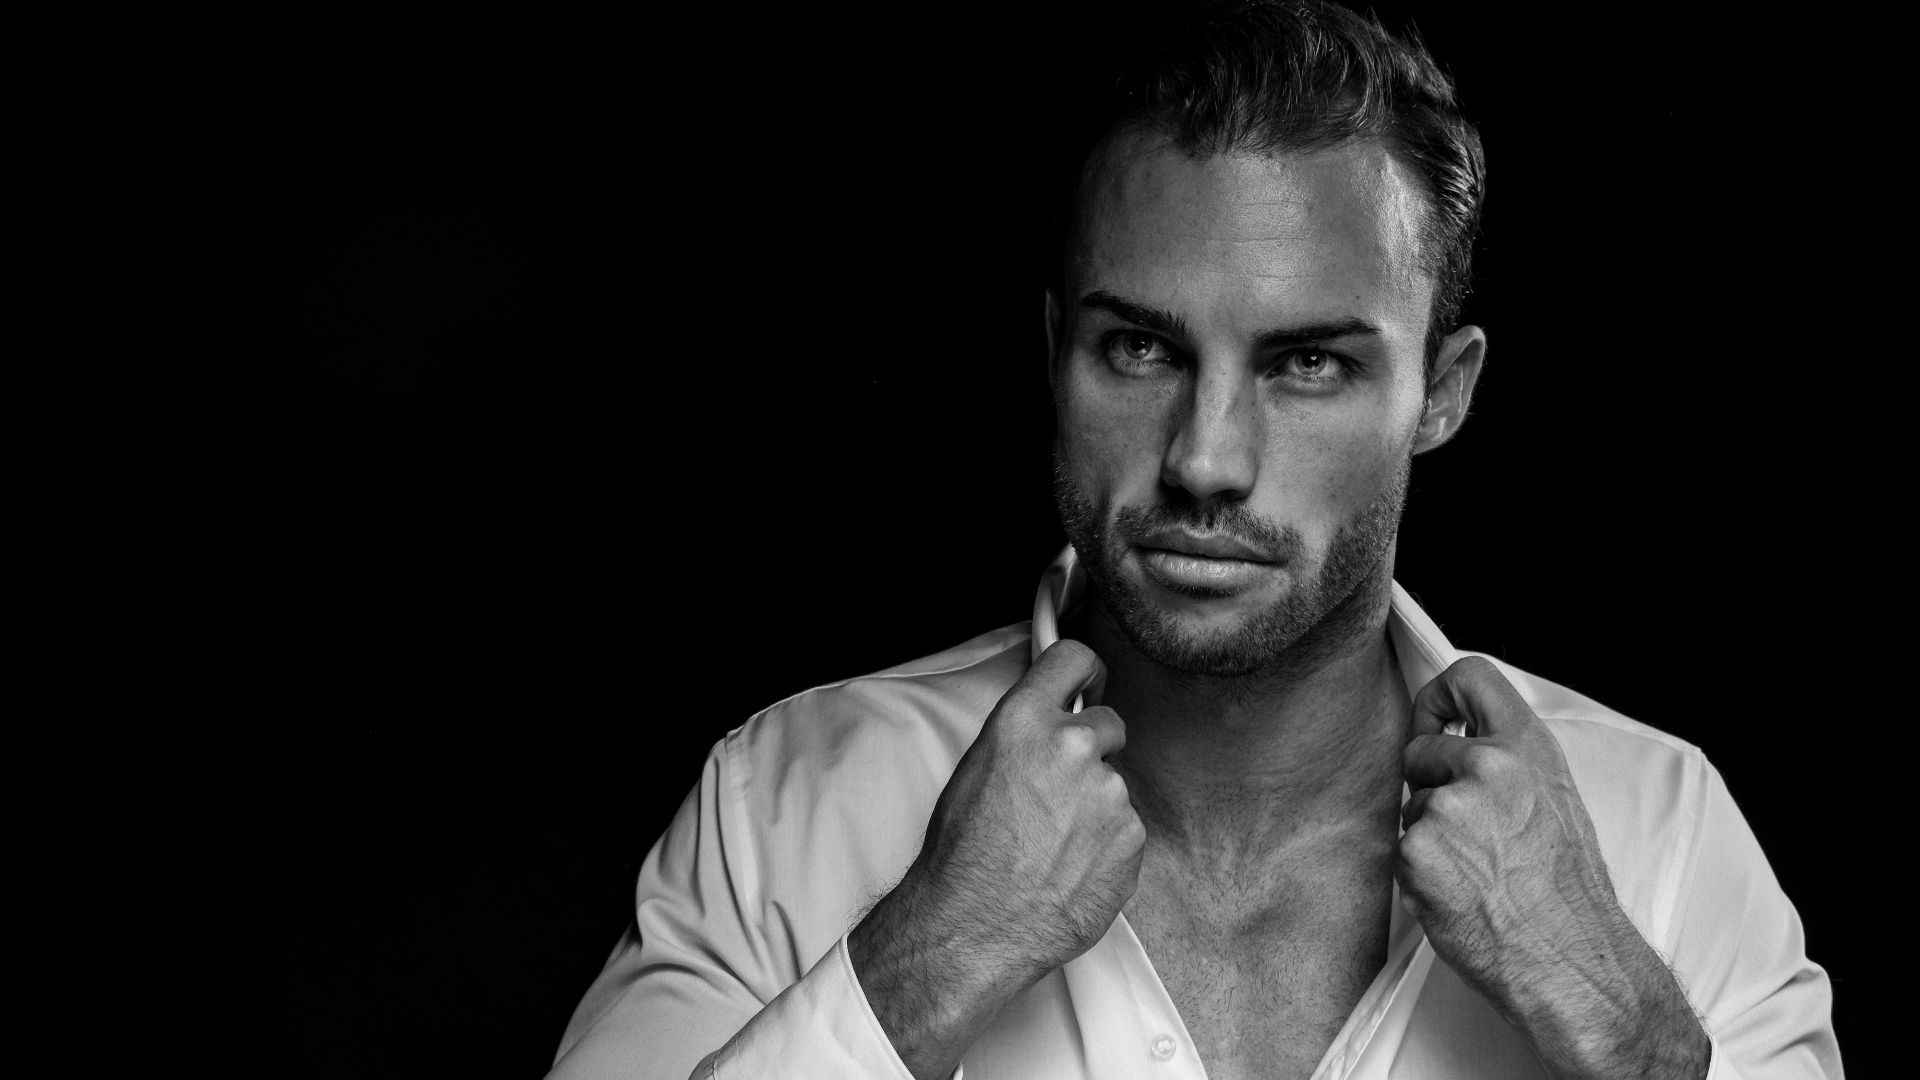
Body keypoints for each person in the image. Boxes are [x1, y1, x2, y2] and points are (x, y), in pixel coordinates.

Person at [548, 3, 1840, 1077]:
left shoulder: (1655, 826)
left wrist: (1612, 1016)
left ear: (1443, 392)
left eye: (1310, 363)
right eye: (1143, 349)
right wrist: (933, 954)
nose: (1204, 461)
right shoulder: (796, 801)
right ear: (1056, 352)